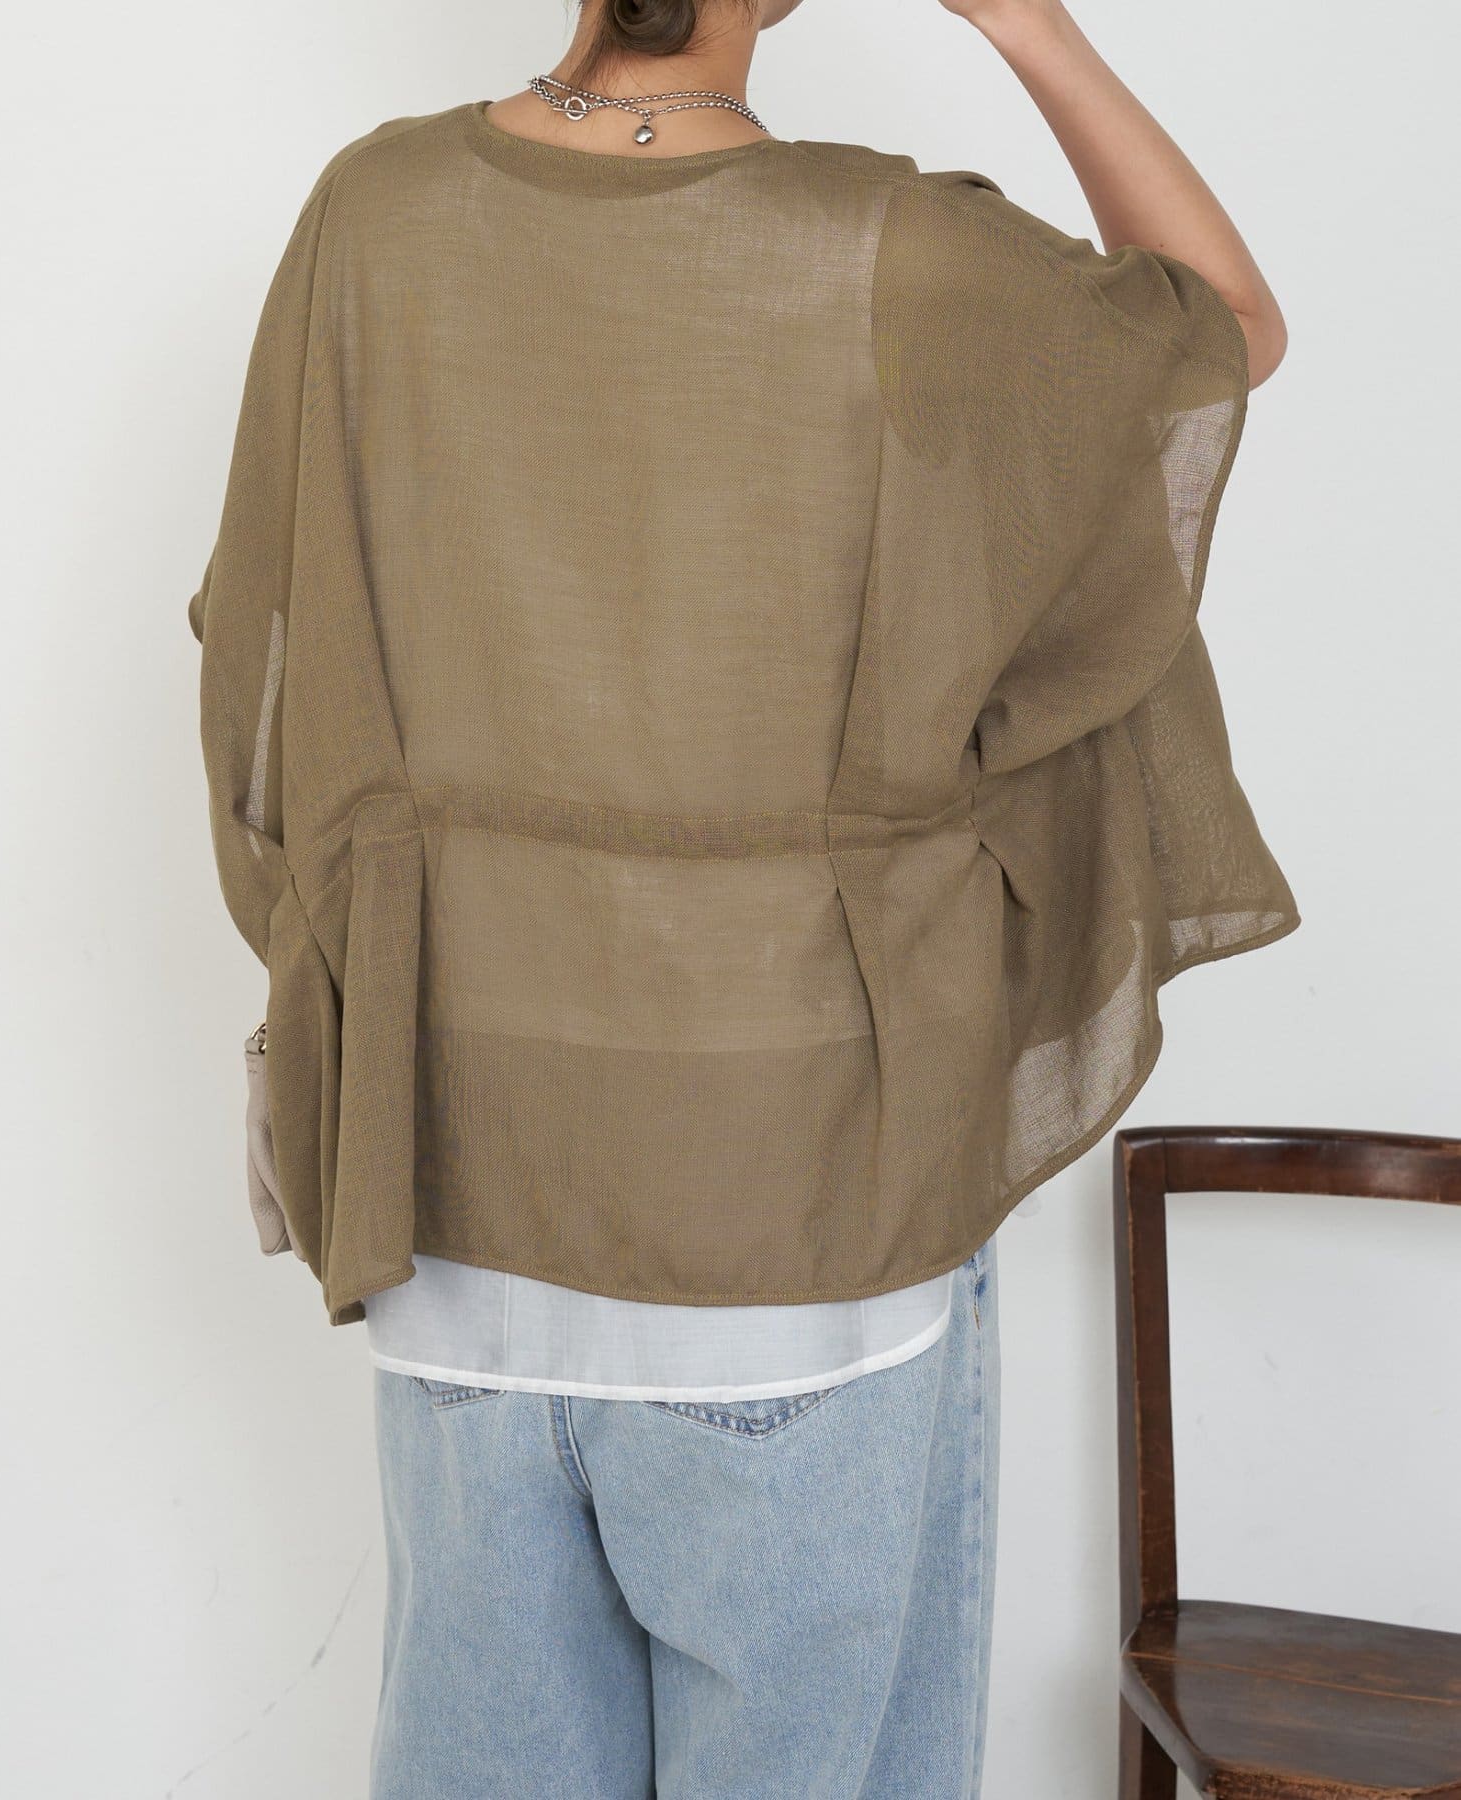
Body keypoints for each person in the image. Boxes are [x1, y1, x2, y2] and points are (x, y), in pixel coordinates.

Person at [187, 0, 1299, 1792]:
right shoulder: (895, 250)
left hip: (459, 1190)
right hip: (806, 1207)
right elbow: (1225, 329)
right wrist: (1022, 19)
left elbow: (268, 665)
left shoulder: (371, 217)